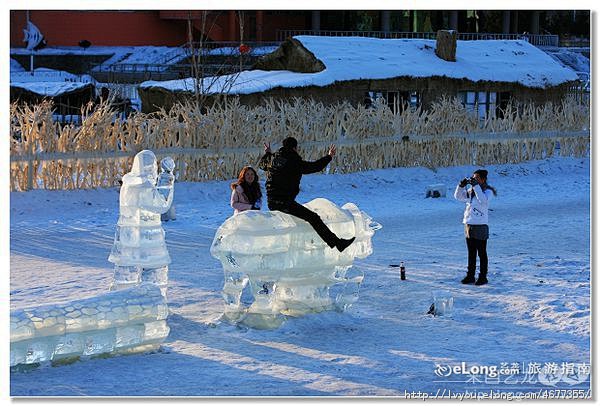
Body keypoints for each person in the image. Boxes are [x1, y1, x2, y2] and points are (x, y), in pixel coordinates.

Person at [259, 136, 355, 252]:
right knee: (313, 217)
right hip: (283, 203)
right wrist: (329, 156)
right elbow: (315, 167)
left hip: (273, 201)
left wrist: (268, 153)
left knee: (305, 219)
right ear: (295, 148)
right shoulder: (294, 161)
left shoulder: (273, 158)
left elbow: (262, 164)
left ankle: (331, 242)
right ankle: (337, 243)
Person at [454, 169, 497, 286]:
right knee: (471, 253)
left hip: (481, 226)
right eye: (473, 178)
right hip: (469, 224)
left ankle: (483, 277)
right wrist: (461, 186)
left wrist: (476, 187)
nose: (474, 180)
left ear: (483, 179)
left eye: (477, 178)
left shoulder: (488, 192)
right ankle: (470, 275)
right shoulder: (471, 191)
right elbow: (458, 197)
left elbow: (482, 201)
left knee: (482, 253)